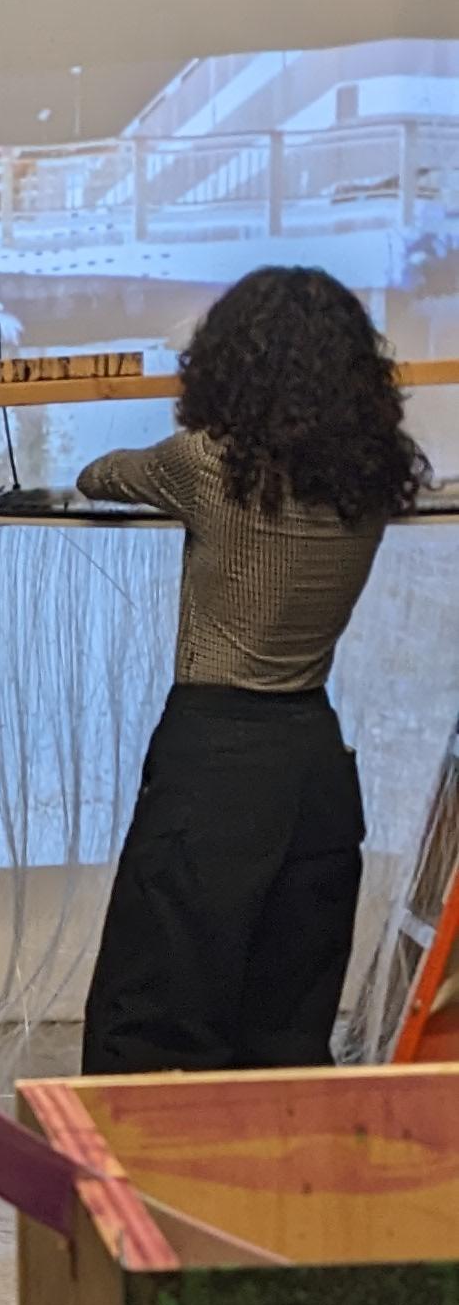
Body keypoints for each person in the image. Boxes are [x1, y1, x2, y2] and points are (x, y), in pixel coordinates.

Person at [76, 261, 423, 1076]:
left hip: (215, 761)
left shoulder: (205, 464)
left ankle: (142, 1203)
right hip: (317, 766)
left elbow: (102, 476)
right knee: (285, 1034)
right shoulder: (372, 476)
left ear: (230, 361)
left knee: (154, 1020)